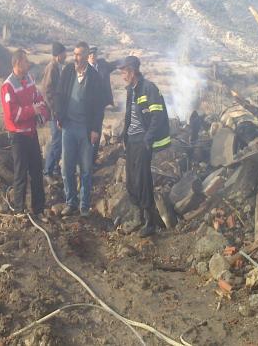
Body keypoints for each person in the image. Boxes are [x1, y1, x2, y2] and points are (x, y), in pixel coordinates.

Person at [117, 55, 171, 237]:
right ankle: (138, 217)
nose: (123, 76)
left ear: (132, 72)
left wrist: (148, 139)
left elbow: (158, 116)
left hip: (142, 141)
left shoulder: (149, 88)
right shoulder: (131, 90)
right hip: (131, 141)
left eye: (124, 72)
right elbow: (130, 116)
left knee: (142, 180)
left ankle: (150, 222)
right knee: (132, 180)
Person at [54, 41, 104, 217]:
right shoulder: (68, 71)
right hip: (68, 126)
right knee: (66, 168)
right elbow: (59, 95)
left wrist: (95, 129)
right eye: (74, 54)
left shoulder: (95, 77)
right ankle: (71, 202)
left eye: (79, 54)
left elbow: (99, 106)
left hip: (85, 129)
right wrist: (59, 116)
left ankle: (84, 205)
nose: (76, 57)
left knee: (85, 168)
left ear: (86, 55)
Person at [0, 49, 50, 222]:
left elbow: (38, 98)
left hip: (31, 133)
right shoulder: (8, 86)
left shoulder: (29, 79)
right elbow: (12, 114)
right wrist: (32, 110)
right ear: (18, 63)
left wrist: (41, 114)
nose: (29, 64)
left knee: (37, 171)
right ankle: (19, 210)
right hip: (18, 137)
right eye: (26, 61)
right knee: (20, 172)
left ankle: (39, 208)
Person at [41, 42, 67, 182]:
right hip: (54, 113)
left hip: (58, 112)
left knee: (59, 141)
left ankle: (55, 169)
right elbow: (47, 92)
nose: (66, 55)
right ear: (58, 55)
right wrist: (55, 111)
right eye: (64, 53)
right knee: (56, 141)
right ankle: (48, 172)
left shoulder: (57, 67)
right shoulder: (52, 68)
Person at [88, 46, 117, 162]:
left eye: (94, 54)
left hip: (100, 106)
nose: (92, 56)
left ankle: (93, 159)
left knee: (98, 131)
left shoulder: (103, 65)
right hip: (87, 107)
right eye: (90, 55)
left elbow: (114, 64)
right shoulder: (83, 68)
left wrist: (128, 58)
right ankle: (85, 160)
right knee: (87, 133)